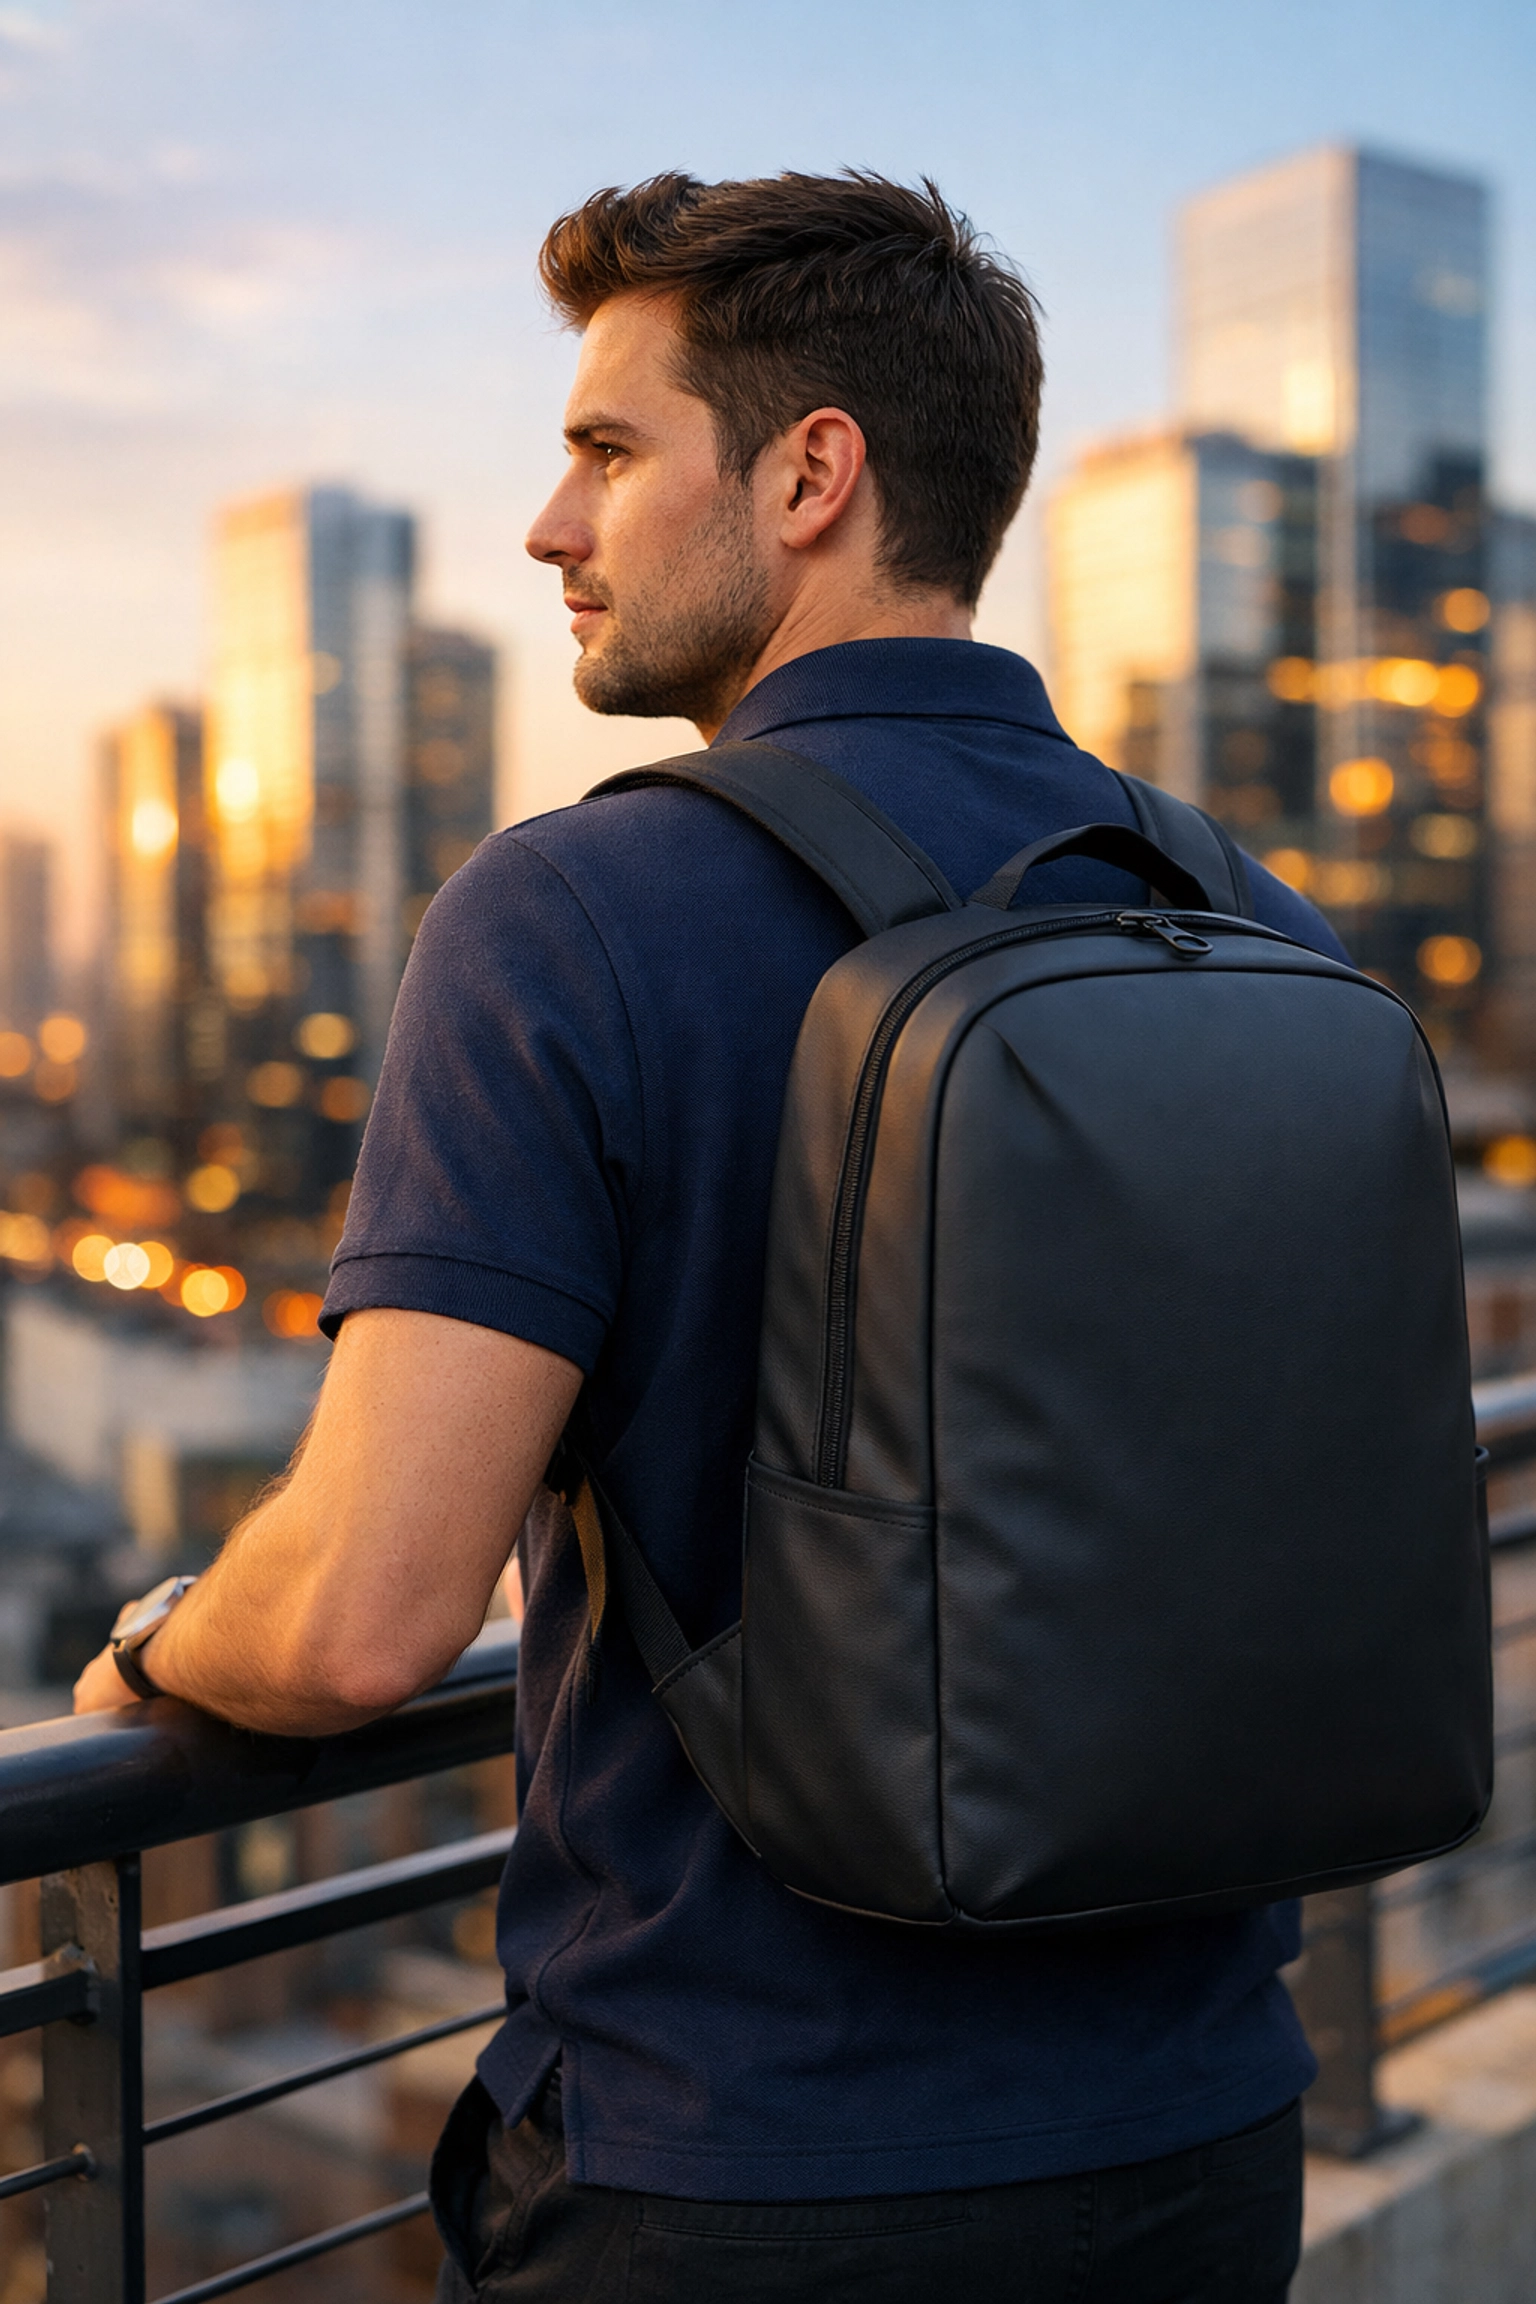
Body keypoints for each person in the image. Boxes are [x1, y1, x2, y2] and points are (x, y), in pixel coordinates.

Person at [77, 171, 1346, 2300]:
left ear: (810, 475)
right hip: (1206, 2134)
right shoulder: (1251, 917)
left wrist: (166, 1645)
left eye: (604, 450)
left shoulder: (568, 916)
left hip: (752, 2173)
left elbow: (368, 1616)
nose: (547, 527)